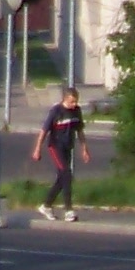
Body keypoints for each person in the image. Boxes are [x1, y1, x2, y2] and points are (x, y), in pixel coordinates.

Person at [36, 85, 89, 221]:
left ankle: (46, 205)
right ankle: (68, 210)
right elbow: (44, 131)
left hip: (68, 146)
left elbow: (80, 131)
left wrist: (84, 149)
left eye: (76, 101)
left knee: (62, 178)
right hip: (55, 146)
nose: (74, 104)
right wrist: (37, 149)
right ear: (65, 99)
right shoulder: (56, 111)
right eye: (72, 102)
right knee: (67, 174)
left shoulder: (77, 111)